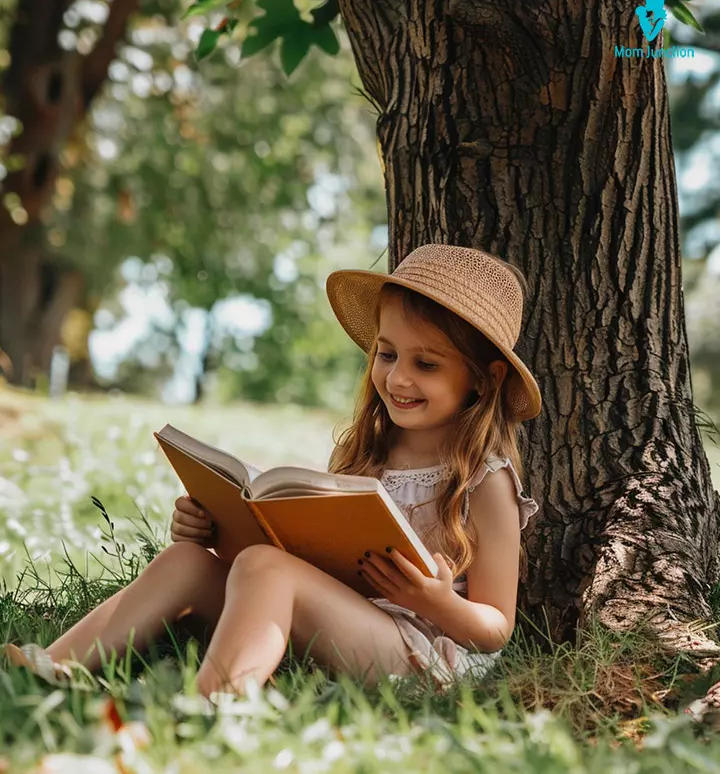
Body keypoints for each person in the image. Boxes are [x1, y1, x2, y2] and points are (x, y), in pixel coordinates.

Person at [2, 244, 542, 697]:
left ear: (484, 379)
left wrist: (436, 601)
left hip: (422, 656)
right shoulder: (367, 457)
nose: (398, 378)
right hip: (340, 625)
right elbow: (310, 570)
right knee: (187, 561)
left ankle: (217, 703)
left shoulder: (484, 480)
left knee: (269, 568)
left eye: (425, 364)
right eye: (386, 354)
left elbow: (496, 630)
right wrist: (218, 530)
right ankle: (54, 665)